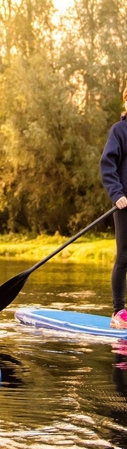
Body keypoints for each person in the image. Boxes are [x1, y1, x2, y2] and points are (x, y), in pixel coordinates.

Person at [99, 87, 127, 331]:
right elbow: (108, 166)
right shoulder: (119, 131)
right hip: (124, 205)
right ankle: (118, 312)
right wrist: (117, 194)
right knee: (124, 258)